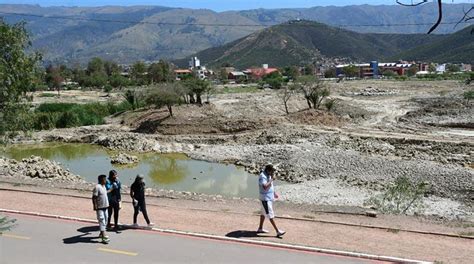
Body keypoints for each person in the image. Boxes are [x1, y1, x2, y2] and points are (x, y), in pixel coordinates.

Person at [257, 164, 286, 237]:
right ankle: (277, 231)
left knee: (263, 213)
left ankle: (260, 228)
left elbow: (270, 186)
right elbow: (265, 186)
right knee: (270, 214)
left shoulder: (269, 174)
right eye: (272, 171)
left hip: (268, 198)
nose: (273, 173)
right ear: (268, 170)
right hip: (265, 199)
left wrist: (274, 193)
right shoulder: (263, 176)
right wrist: (272, 179)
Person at [92, 174, 110, 243]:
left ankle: (101, 233)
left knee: (106, 220)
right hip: (100, 208)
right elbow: (94, 197)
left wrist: (112, 189)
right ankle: (104, 237)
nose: (106, 180)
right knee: (102, 220)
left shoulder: (104, 187)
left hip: (105, 207)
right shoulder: (97, 187)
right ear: (101, 180)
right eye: (104, 179)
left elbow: (105, 193)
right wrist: (95, 205)